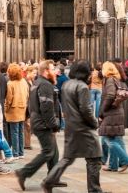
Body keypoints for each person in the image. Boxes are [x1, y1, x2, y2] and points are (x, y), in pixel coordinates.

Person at [42, 60, 105, 193]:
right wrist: (94, 122)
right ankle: (94, 190)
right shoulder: (82, 86)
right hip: (83, 128)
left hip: (71, 126)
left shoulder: (66, 84)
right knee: (94, 157)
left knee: (67, 158)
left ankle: (48, 181)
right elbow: (86, 109)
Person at [15, 60, 66, 191]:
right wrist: (53, 125)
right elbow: (46, 107)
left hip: (39, 122)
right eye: (52, 69)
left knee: (54, 152)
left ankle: (52, 178)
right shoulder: (44, 85)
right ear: (45, 71)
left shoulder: (38, 83)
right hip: (43, 124)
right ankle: (23, 172)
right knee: (48, 152)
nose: (55, 71)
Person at [99, 61, 128, 173]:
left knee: (108, 138)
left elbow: (110, 95)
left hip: (111, 112)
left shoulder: (109, 80)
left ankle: (126, 160)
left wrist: (103, 110)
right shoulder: (116, 79)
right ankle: (113, 165)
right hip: (117, 111)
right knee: (115, 138)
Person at [5, 63, 29, 160]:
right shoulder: (24, 81)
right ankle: (21, 152)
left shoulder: (10, 84)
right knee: (20, 132)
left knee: (14, 132)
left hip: (13, 110)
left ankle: (15, 153)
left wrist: (5, 109)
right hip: (22, 108)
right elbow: (27, 95)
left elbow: (9, 99)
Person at [24, 65, 37, 150]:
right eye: (34, 73)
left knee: (29, 126)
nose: (35, 74)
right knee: (27, 125)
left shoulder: (33, 81)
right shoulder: (24, 81)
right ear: (28, 72)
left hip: (32, 106)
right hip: (26, 106)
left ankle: (27, 143)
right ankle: (26, 144)